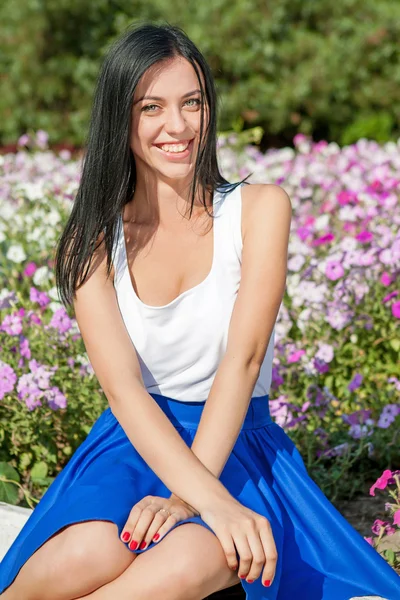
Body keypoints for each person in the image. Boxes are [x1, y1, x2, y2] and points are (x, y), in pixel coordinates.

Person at [0, 21, 399, 600]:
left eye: (193, 103)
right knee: (91, 548)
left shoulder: (259, 209)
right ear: (120, 118)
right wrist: (193, 496)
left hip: (235, 441)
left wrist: (193, 499)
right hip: (134, 442)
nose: (179, 126)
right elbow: (125, 393)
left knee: (198, 555)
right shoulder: (91, 240)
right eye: (152, 107)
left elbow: (242, 362)